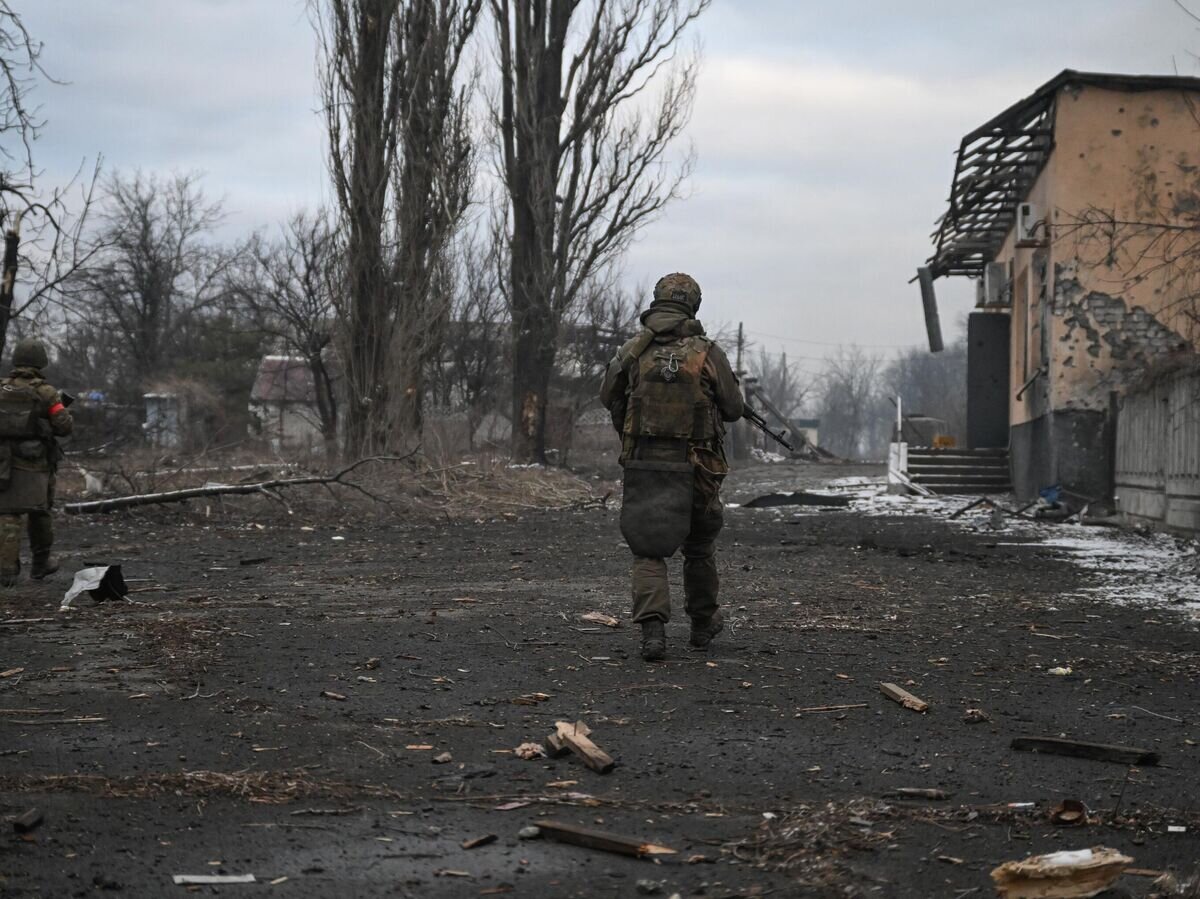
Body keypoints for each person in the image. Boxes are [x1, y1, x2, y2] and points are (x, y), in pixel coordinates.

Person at [600, 273, 744, 661]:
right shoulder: (707, 353)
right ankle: (702, 625)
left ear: (657, 301)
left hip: (645, 464)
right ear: (693, 306)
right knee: (699, 547)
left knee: (649, 550)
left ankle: (653, 634)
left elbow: (607, 395)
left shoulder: (633, 350)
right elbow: (732, 409)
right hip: (698, 468)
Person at [0, 338, 73, 586]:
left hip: (3, 464)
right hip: (35, 464)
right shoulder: (46, 393)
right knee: (39, 513)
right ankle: (40, 565)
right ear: (41, 362)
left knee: (8, 515)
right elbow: (63, 427)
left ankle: (7, 571)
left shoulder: (1, 389)